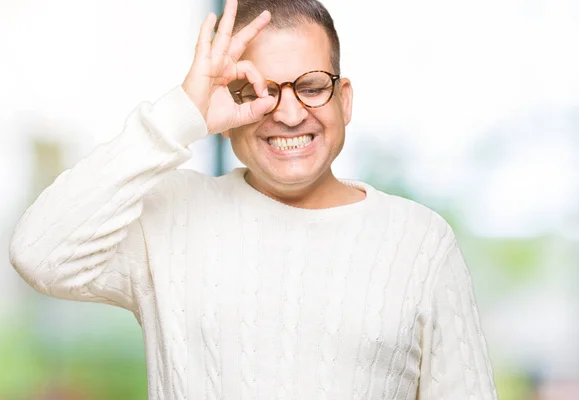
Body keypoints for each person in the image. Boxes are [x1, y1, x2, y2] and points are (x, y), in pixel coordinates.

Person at [8, 0, 498, 398]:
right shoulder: (170, 214)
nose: (287, 114)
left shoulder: (419, 241)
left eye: (310, 87)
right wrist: (182, 114)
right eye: (256, 92)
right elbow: (40, 254)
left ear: (344, 99)